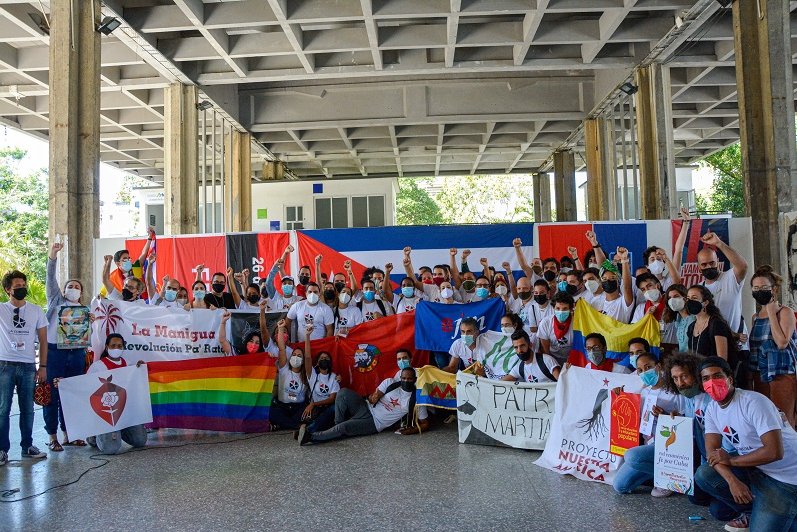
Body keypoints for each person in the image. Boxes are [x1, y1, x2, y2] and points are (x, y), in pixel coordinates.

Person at [695, 356, 797, 531]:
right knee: (704, 474)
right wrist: (732, 481)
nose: (712, 382)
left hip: (787, 479)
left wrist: (731, 461)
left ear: (730, 379)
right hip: (756, 468)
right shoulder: (712, 408)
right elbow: (711, 451)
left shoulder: (754, 402)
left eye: (717, 376)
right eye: (706, 379)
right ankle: (752, 511)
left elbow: (774, 452)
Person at [661, 352, 738, 523]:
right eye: (675, 378)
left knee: (717, 510)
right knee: (696, 497)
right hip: (708, 458)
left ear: (697, 375)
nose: (680, 383)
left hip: (729, 459)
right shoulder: (689, 396)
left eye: (685, 376)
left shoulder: (714, 399)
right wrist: (675, 417)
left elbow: (727, 443)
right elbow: (694, 427)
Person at [612, 352, 684, 497]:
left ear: (658, 366)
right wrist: (621, 397)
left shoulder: (675, 392)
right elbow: (630, 414)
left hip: (667, 446)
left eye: (648, 367)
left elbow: (685, 421)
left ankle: (670, 477)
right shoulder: (644, 391)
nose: (645, 372)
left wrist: (664, 416)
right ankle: (657, 474)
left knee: (632, 456)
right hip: (647, 443)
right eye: (640, 370)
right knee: (620, 486)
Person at [298, 367, 429, 445]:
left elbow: (425, 423)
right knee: (343, 393)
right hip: (365, 407)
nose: (405, 381)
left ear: (415, 380)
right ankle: (335, 429)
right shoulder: (391, 383)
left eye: (409, 379)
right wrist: (374, 397)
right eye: (403, 378)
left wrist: (411, 431)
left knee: (344, 427)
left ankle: (310, 437)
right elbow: (374, 396)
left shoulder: (416, 399)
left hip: (374, 422)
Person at [43, 243, 89, 451]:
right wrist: (53, 256)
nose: (73, 289)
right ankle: (52, 436)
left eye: (77, 287)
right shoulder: (56, 300)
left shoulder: (84, 310)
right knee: (52, 395)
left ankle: (69, 434)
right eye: (70, 286)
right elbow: (50, 279)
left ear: (81, 292)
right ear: (64, 290)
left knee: (72, 395)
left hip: (76, 353)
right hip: (55, 353)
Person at [0, 270, 48, 466]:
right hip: (4, 364)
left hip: (28, 365)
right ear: (7, 290)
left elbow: (44, 341)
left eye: (23, 285)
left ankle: (27, 445)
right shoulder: (1, 309)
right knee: (3, 408)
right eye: (17, 287)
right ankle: (2, 450)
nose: (22, 289)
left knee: (28, 408)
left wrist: (42, 366)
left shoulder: (36, 310)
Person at [748, 265, 797, 428]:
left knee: (784, 421)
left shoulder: (785, 312)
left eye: (764, 287)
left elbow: (782, 342)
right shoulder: (755, 317)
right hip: (760, 375)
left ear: (774, 289)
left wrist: (771, 313)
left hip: (780, 372)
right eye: (756, 288)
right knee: (766, 422)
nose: (759, 291)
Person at [84, 334, 147, 455]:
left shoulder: (129, 365)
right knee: (111, 449)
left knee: (140, 441)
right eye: (113, 346)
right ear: (107, 347)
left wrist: (141, 369)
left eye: (119, 346)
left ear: (123, 347)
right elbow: (85, 388)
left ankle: (119, 431)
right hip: (106, 416)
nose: (116, 348)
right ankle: (93, 436)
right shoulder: (98, 367)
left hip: (126, 414)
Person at [686, 285, 740, 375]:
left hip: (715, 375)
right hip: (698, 375)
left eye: (694, 298)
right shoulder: (691, 327)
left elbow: (722, 359)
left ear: (705, 302)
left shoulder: (716, 324)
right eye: (688, 298)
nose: (690, 301)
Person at [269, 319, 309, 430]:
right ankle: (297, 426)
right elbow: (282, 349)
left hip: (298, 407)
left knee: (308, 412)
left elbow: (309, 357)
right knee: (270, 411)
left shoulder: (307, 374)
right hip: (283, 406)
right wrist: (281, 328)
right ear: (290, 357)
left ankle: (283, 425)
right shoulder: (284, 368)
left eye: (299, 356)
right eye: (294, 354)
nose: (296, 357)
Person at [298, 346, 339, 436]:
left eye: (326, 358)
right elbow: (308, 358)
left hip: (327, 408)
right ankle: (310, 430)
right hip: (316, 410)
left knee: (333, 408)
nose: (324, 359)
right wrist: (307, 336)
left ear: (330, 362)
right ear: (317, 362)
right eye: (322, 358)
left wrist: (313, 404)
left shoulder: (333, 377)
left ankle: (307, 431)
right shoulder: (313, 376)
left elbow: (332, 399)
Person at [537, 293, 575, 366]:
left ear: (570, 309)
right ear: (553, 308)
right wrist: (552, 364)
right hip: (552, 357)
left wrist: (572, 360)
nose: (561, 312)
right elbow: (545, 351)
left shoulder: (577, 323)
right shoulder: (545, 323)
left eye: (565, 309)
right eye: (557, 308)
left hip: (572, 358)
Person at [662, 284, 695, 354]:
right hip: (683, 361)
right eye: (669, 298)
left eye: (676, 296)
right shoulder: (678, 319)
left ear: (686, 298)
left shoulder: (695, 318)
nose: (672, 300)